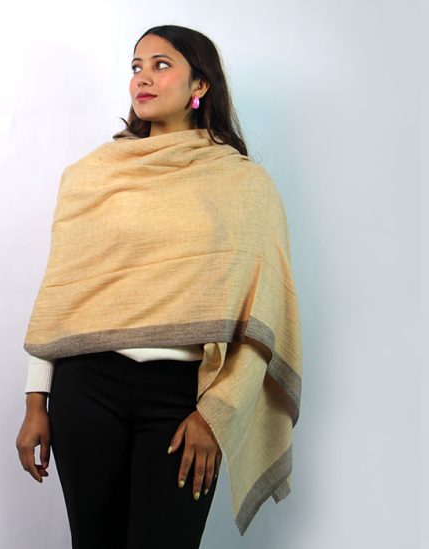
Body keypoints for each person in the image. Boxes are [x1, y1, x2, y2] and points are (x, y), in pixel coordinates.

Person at [16, 24, 303, 549]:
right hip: (87, 387)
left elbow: (262, 317)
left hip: (183, 396)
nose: (142, 78)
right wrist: (37, 400)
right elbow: (61, 292)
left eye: (161, 65)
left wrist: (217, 415)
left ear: (200, 85)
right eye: (136, 67)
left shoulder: (244, 185)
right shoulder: (92, 175)